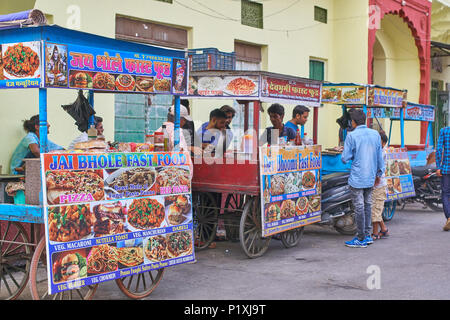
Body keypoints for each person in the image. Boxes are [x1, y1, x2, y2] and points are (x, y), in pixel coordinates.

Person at [341, 109, 384, 248]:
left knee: (359, 206)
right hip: (371, 176)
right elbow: (379, 156)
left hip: (357, 177)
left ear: (353, 122)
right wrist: (379, 174)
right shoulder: (375, 135)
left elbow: (344, 158)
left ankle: (360, 238)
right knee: (367, 205)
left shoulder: (351, 136)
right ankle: (367, 235)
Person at [371, 131, 390, 240]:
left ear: (383, 143)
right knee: (375, 209)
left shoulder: (381, 152)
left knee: (375, 210)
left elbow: (378, 169)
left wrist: (376, 178)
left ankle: (375, 233)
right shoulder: (377, 151)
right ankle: (383, 229)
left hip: (379, 185)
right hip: (376, 185)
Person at [435, 126, 450, 231]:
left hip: (446, 168)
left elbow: (439, 149)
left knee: (445, 193)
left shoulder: (444, 131)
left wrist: (438, 167)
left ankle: (449, 217)